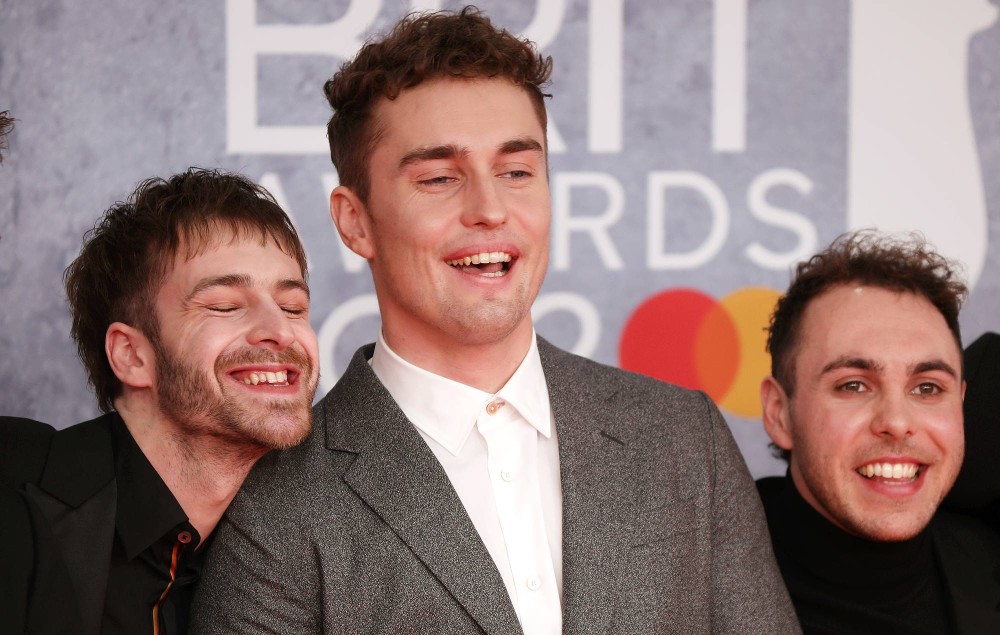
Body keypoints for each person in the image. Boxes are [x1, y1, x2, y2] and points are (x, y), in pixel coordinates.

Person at [190, 7, 797, 634]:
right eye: (439, 178)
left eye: (515, 172)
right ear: (355, 221)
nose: (489, 209)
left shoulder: (682, 440)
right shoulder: (276, 500)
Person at [0, 168, 319, 635]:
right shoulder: (12, 486)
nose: (281, 330)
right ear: (132, 356)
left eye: (293, 307)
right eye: (224, 305)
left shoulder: (296, 550)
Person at [757, 231, 1000, 634]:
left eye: (927, 388)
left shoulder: (985, 557)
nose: (897, 421)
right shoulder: (686, 583)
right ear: (779, 413)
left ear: (961, 403)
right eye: (853, 385)